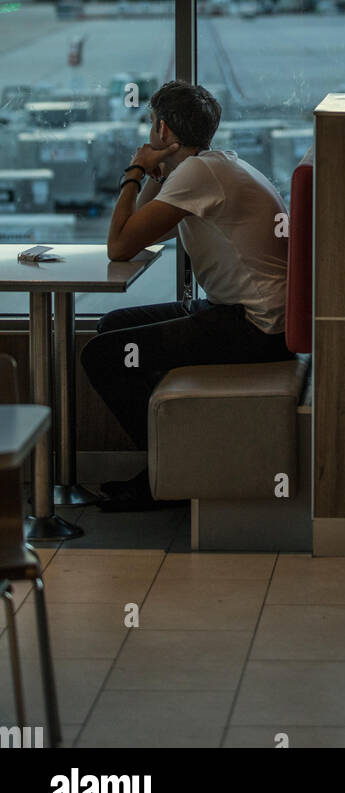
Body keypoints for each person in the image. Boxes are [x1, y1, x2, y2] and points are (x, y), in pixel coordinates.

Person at [81, 81, 292, 511]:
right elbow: (137, 230)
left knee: (102, 356)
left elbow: (120, 246)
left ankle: (170, 474)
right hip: (244, 313)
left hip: (255, 326)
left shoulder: (199, 174)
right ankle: (170, 460)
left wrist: (135, 170)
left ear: (161, 130)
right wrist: (155, 176)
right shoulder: (208, 167)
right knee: (113, 327)